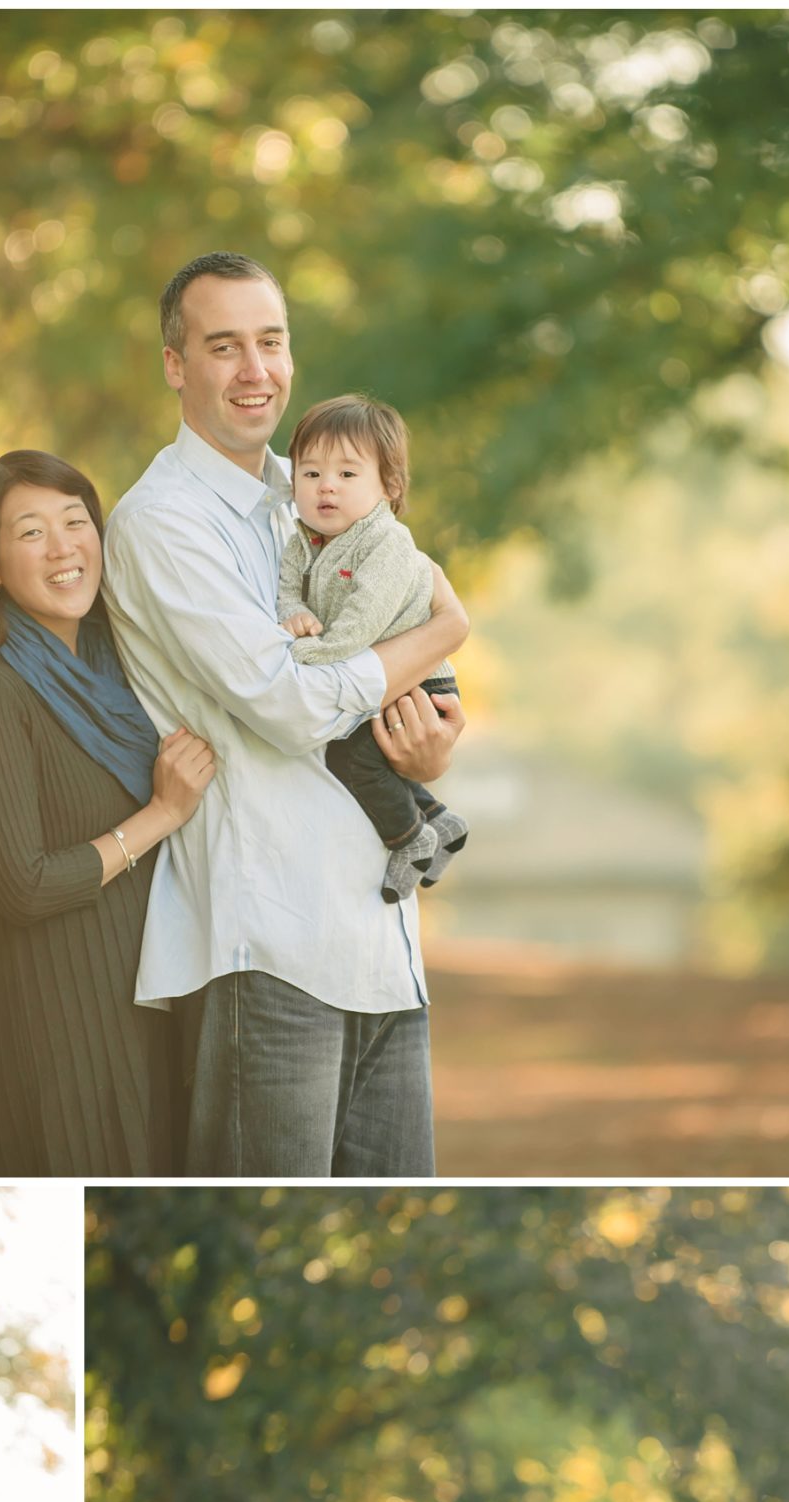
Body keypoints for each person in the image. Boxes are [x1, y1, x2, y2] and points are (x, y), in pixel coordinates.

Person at [103, 250, 470, 1176]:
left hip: (381, 946)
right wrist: (441, 633)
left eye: (270, 342)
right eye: (223, 346)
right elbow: (292, 705)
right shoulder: (163, 521)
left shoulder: (323, 487)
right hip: (267, 944)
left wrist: (420, 752)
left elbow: (378, 659)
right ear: (176, 364)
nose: (254, 370)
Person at [0, 449, 216, 1175]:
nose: (63, 547)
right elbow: (23, 886)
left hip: (157, 1005)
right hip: (62, 1032)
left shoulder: (127, 664)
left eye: (75, 522)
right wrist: (161, 815)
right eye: (31, 532)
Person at [276, 393, 469, 902]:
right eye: (310, 474)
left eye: (347, 474)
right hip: (376, 669)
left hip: (418, 675)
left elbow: (365, 617)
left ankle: (410, 839)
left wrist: (312, 654)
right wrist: (291, 614)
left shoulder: (387, 543)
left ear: (389, 486)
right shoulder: (304, 538)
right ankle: (437, 818)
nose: (326, 487)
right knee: (371, 756)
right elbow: (286, 585)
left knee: (353, 757)